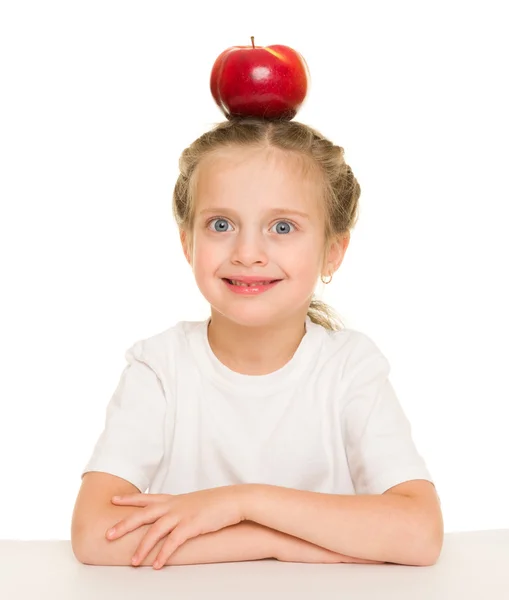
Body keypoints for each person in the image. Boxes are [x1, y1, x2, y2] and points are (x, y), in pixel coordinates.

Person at [72, 118, 443, 570]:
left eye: (282, 227)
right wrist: (273, 542)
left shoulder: (351, 367)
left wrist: (243, 503)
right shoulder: (159, 369)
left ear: (333, 251)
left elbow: (420, 534)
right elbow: (94, 535)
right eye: (221, 224)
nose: (248, 253)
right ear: (187, 242)